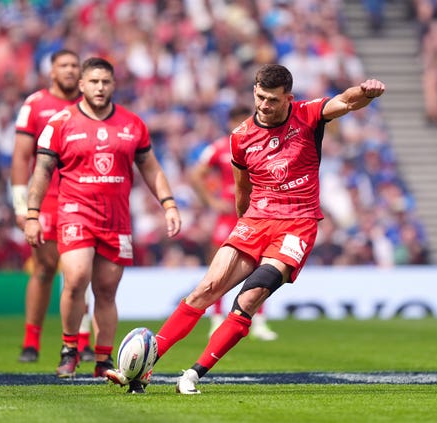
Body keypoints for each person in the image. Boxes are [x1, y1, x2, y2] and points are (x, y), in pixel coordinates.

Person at [106, 63, 385, 394]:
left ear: (288, 99)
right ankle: (142, 368)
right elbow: (243, 191)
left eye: (272, 100)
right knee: (204, 289)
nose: (264, 106)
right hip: (254, 222)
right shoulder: (240, 138)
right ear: (254, 91)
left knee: (250, 298)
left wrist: (365, 92)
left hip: (297, 224)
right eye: (260, 97)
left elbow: (347, 101)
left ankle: (193, 373)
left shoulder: (308, 114)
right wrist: (241, 228)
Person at [24, 57, 181, 380]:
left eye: (105, 82)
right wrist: (32, 214)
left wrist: (168, 204)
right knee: (77, 277)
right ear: (81, 85)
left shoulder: (132, 124)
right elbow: (41, 171)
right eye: (93, 82)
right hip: (75, 213)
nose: (99, 87)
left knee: (107, 290)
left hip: (116, 219)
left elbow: (150, 168)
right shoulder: (60, 123)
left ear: (113, 85)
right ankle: (69, 349)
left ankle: (103, 359)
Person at [10, 49, 96, 363]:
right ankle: (31, 341)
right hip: (45, 199)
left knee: (80, 270)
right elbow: (21, 157)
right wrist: (22, 205)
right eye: (64, 65)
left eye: (76, 65)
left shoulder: (90, 105)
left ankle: (82, 341)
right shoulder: (35, 105)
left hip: (81, 199)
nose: (71, 71)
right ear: (52, 71)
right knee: (45, 268)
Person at [189, 104, 278, 341]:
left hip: (255, 212)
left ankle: (258, 320)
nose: (242, 125)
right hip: (228, 214)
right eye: (238, 121)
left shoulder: (262, 146)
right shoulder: (219, 148)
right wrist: (212, 201)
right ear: (230, 123)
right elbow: (196, 175)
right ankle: (216, 319)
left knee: (262, 266)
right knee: (220, 266)